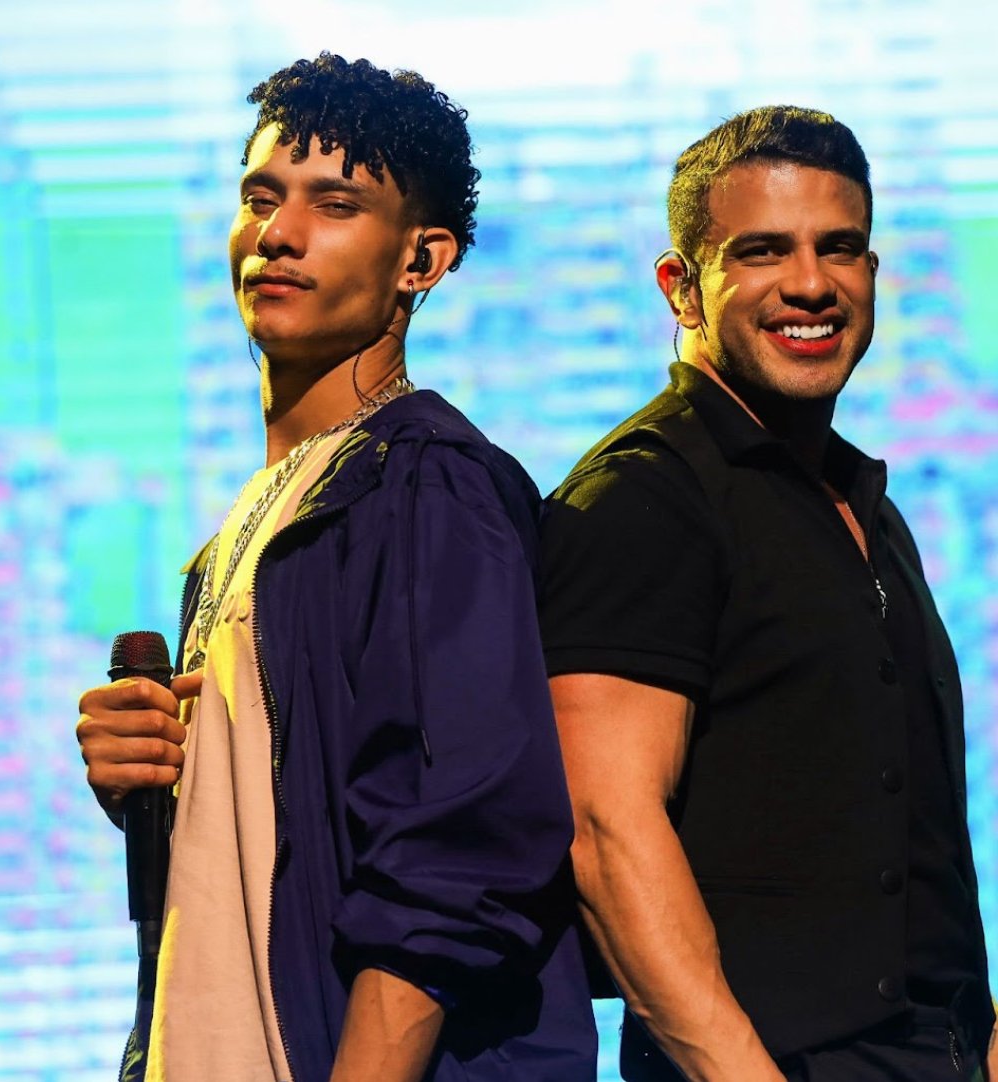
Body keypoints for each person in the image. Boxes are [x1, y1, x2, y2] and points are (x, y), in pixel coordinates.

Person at [76, 53, 596, 1082]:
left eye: (336, 204)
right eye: (261, 197)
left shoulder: (427, 485)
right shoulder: (246, 527)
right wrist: (152, 779)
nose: (280, 232)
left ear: (421, 259)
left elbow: (461, 850)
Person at [539, 105, 996, 1081]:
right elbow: (606, 831)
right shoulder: (643, 496)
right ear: (682, 287)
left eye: (840, 248)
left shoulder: (866, 506)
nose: (811, 283)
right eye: (763, 250)